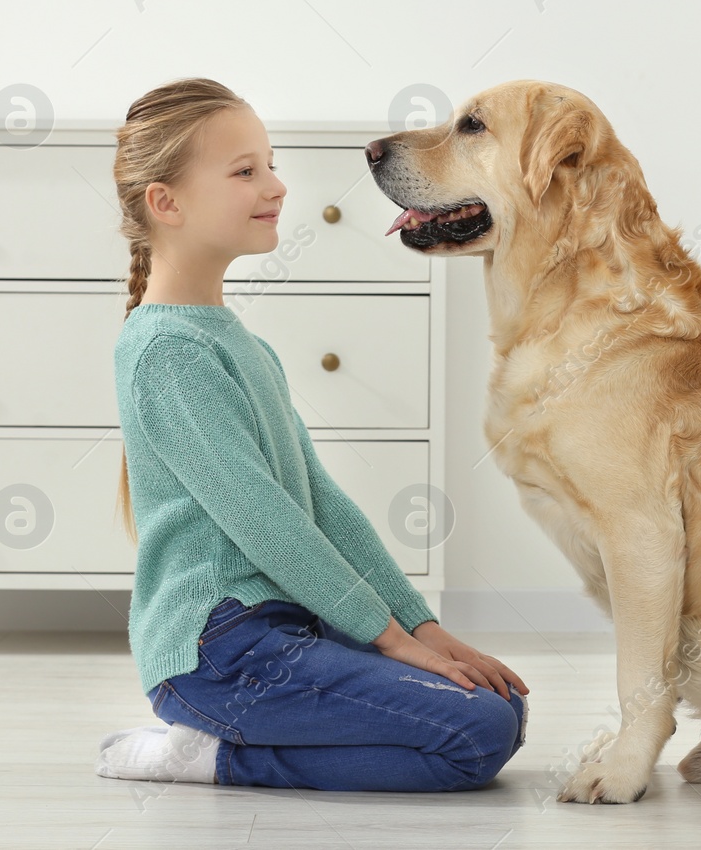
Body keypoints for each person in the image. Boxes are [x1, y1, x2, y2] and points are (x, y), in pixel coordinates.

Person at [94, 77, 528, 791]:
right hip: (219, 654)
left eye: (270, 165)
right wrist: (385, 638)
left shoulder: (238, 345)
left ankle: (228, 746)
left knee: (497, 710)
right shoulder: (166, 353)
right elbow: (265, 521)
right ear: (165, 204)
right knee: (475, 734)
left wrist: (420, 627)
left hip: (283, 630)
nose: (277, 186)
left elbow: (320, 505)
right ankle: (207, 756)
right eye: (245, 172)